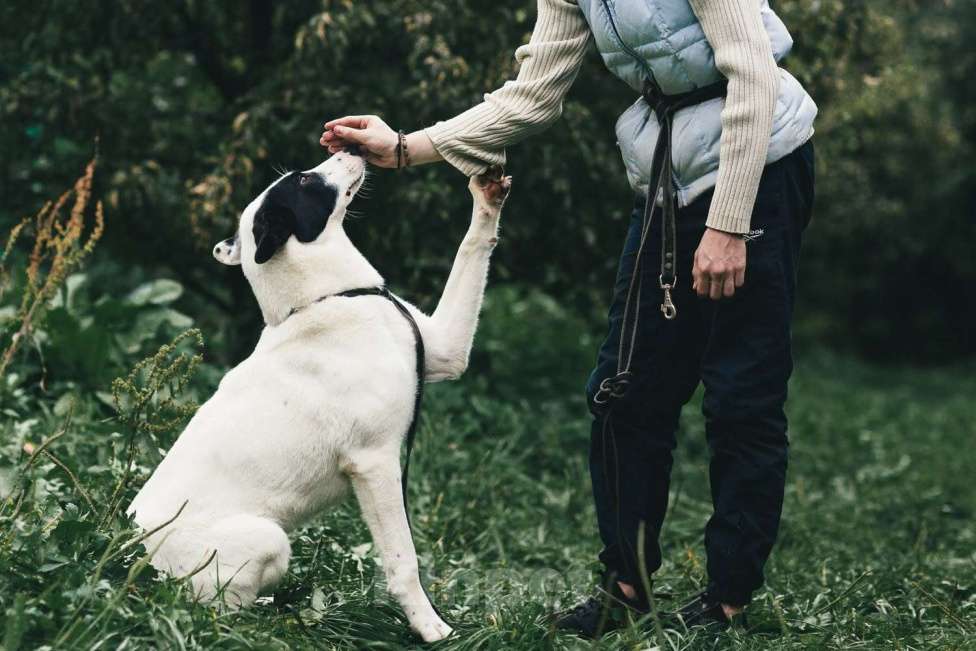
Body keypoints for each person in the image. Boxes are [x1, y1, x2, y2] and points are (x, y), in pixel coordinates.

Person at [321, 0, 816, 639]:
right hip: (667, 176)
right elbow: (534, 94)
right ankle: (627, 588)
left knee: (740, 396)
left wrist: (727, 225)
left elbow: (752, 71)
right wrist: (404, 150)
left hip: (761, 168)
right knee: (622, 392)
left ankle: (730, 600)